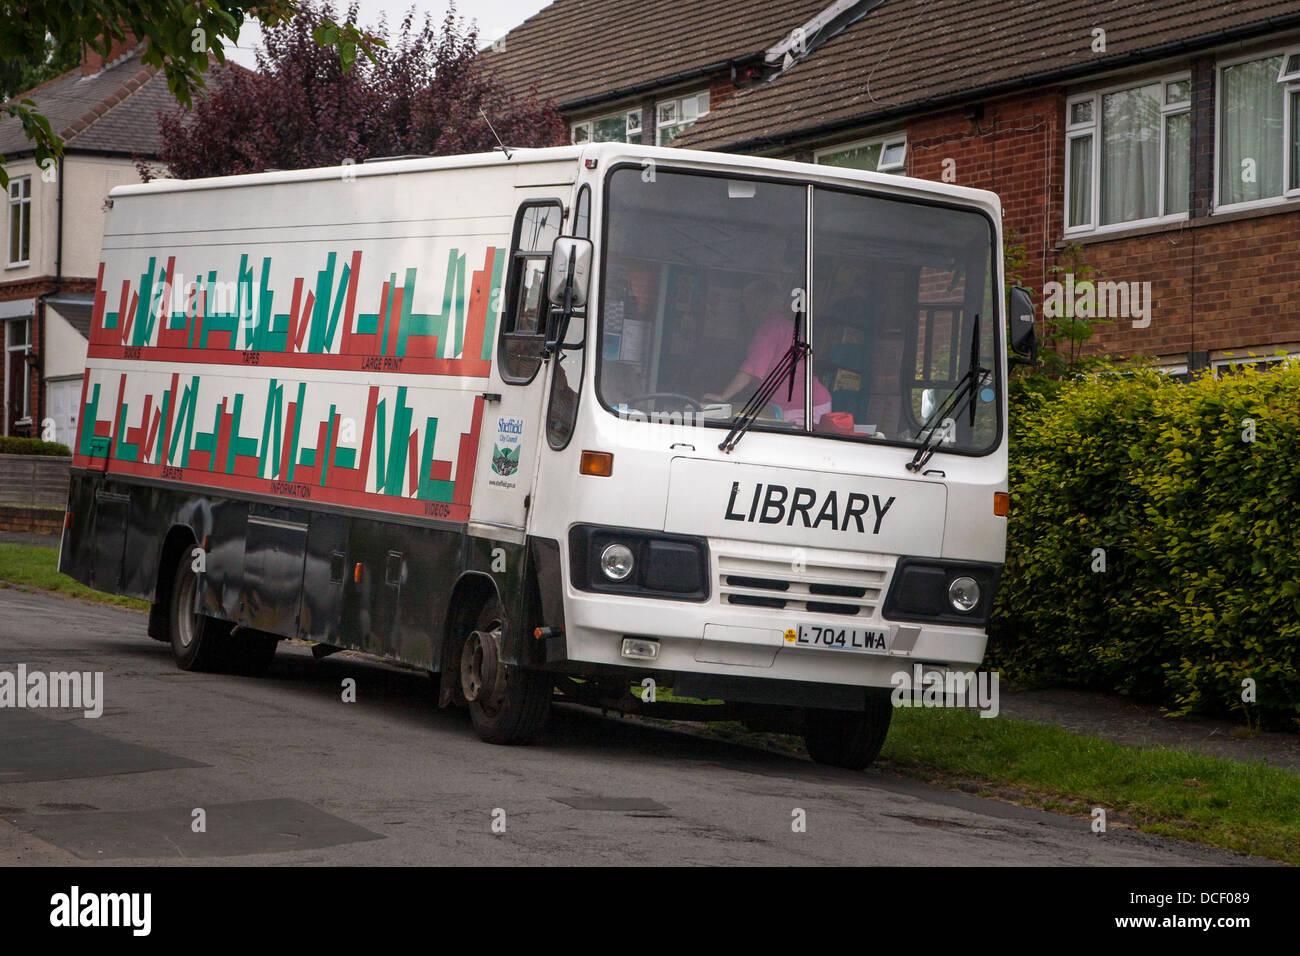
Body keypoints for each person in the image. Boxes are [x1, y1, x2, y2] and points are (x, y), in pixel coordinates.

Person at [703, 278, 831, 425]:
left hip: (800, 407)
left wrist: (723, 396)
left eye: (746, 302)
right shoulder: (782, 325)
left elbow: (752, 367)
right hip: (809, 403)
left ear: (757, 304)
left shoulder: (770, 328)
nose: (745, 308)